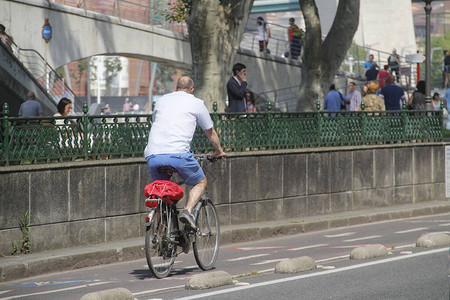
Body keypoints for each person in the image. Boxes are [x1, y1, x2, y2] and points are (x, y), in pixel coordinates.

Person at [144, 76, 226, 228]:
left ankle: (163, 234)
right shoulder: (196, 103)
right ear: (192, 90)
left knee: (162, 192)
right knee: (200, 182)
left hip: (153, 154)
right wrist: (219, 151)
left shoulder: (162, 100)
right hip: (178, 154)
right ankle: (187, 212)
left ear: (176, 87)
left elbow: (156, 119)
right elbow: (211, 133)